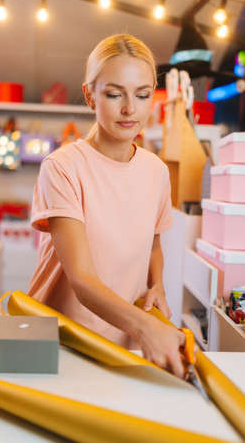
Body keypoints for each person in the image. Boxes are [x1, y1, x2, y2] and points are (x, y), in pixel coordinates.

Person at [28, 33, 186, 378]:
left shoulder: (156, 171)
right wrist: (146, 327)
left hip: (119, 342)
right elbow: (82, 279)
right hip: (56, 340)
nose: (130, 109)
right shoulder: (63, 167)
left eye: (142, 95)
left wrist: (156, 284)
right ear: (89, 96)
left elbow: (153, 244)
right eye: (114, 94)